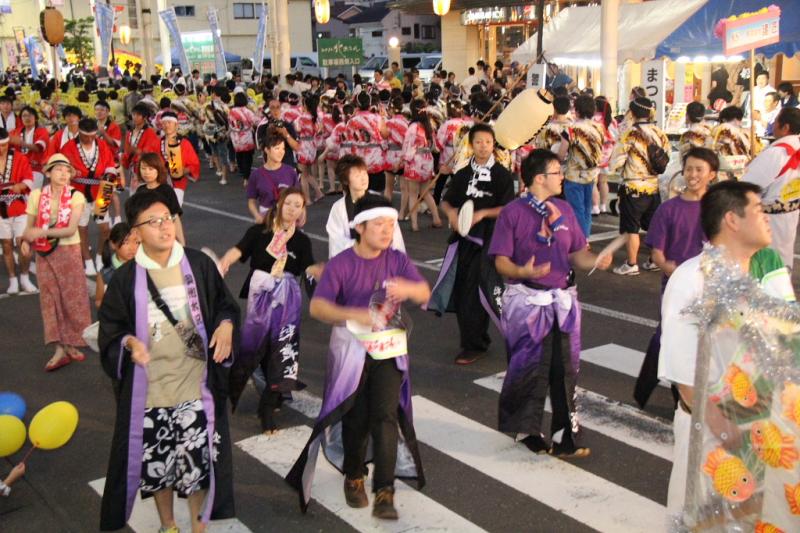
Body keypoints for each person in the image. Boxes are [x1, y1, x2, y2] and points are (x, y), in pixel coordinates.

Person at [97, 190, 239, 532]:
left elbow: (225, 304)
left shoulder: (199, 265)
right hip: (151, 395)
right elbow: (111, 331)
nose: (164, 227)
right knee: (158, 468)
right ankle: (168, 524)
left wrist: (226, 325)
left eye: (169, 219)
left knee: (197, 468)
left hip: (194, 387)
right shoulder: (126, 279)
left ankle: (197, 525)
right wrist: (130, 343)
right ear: (135, 232)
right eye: (153, 221)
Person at [286, 194, 429, 520]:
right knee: (355, 417)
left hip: (388, 351)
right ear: (360, 227)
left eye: (391, 224)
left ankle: (384, 491)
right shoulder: (342, 264)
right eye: (379, 224)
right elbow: (318, 307)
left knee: (385, 415)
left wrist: (408, 291)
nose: (386, 230)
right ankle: (353, 475)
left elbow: (423, 292)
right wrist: (357, 313)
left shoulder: (397, 260)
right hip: (350, 351)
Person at [658, 180, 782, 515]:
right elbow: (684, 378)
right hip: (712, 431)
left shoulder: (758, 277)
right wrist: (727, 433)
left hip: (756, 429)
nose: (768, 216)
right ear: (732, 219)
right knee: (704, 517)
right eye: (758, 209)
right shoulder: (691, 280)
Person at [489, 148, 612, 456]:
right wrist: (522, 271)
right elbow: (500, 262)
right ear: (540, 178)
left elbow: (577, 254)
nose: (562, 177)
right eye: (558, 172)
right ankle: (526, 429)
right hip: (527, 300)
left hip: (562, 300)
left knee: (565, 368)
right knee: (527, 367)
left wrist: (597, 259)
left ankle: (566, 434)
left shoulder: (564, 210)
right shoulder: (513, 213)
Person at [220, 187, 319, 432]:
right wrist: (224, 261)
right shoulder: (259, 232)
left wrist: (328, 274)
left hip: (288, 300)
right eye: (289, 204)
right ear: (279, 205)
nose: (293, 209)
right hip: (261, 296)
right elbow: (239, 250)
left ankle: (268, 406)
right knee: (255, 348)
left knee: (282, 350)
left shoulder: (301, 240)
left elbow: (309, 268)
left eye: (298, 205)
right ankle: (228, 389)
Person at [633, 147, 717, 408]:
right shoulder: (669, 209)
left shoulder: (718, 209)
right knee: (675, 336)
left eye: (699, 170)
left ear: (712, 174)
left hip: (711, 286)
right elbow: (657, 254)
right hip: (676, 286)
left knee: (702, 339)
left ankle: (656, 383)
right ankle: (678, 397)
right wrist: (678, 275)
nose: (692, 175)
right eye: (688, 169)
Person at [431, 123, 515, 364]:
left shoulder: (501, 174)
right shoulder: (463, 173)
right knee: (462, 289)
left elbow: (508, 208)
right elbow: (446, 201)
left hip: (488, 241)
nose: (483, 147)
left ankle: (476, 343)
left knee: (478, 291)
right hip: (463, 240)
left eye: (487, 142)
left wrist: (482, 214)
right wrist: (452, 215)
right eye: (478, 142)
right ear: (471, 144)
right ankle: (474, 340)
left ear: (493, 144)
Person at [20, 154, 92, 371]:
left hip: (69, 250)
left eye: (66, 170)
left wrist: (39, 232)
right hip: (44, 252)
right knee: (50, 299)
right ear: (48, 173)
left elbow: (70, 229)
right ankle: (59, 347)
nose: (63, 173)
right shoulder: (36, 195)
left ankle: (71, 343)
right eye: (58, 169)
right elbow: (29, 225)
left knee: (72, 297)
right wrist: (25, 240)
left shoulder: (76, 196)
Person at [609, 97, 670, 275]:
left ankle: (631, 263)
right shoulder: (659, 132)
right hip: (653, 186)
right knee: (652, 226)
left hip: (633, 187)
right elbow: (666, 158)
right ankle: (653, 259)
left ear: (633, 112)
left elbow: (617, 161)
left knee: (631, 228)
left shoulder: (630, 133)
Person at [741, 107, 800, 268]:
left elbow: (747, 186)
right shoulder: (795, 149)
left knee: (767, 263)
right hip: (790, 214)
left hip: (769, 219)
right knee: (782, 259)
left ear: (785, 127)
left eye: (776, 122)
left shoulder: (777, 153)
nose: (773, 125)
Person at [61, 117, 118, 275]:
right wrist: (69, 172)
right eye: (86, 136)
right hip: (78, 191)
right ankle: (86, 259)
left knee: (105, 228)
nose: (90, 139)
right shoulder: (68, 147)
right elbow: (61, 169)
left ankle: (100, 255)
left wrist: (108, 177)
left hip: (102, 189)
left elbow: (110, 166)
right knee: (82, 227)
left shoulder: (101, 144)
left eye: (93, 136)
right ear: (79, 133)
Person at [326, 154, 405, 258]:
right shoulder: (339, 208)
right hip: (352, 264)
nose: (363, 178)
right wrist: (364, 248)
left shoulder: (379, 201)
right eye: (357, 176)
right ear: (345, 181)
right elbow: (336, 241)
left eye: (364, 173)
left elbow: (395, 237)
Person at [0, 126, 36, 294]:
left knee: (24, 244)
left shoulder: (20, 158)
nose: (2, 148)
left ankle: (24, 277)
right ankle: (13, 280)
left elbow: (29, 179)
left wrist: (21, 185)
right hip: (1, 211)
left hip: (19, 207)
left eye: (5, 145)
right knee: (6, 245)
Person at [564, 95, 605, 238]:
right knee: (586, 210)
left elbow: (562, 151)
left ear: (577, 110)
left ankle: (580, 241)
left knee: (576, 210)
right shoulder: (599, 127)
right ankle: (585, 238)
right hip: (591, 174)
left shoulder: (572, 129)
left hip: (574, 175)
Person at [246, 131, 300, 223]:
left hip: (287, 219)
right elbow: (251, 200)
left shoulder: (291, 172)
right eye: (277, 148)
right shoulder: (256, 175)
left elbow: (298, 197)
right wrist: (257, 215)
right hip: (266, 219)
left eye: (283, 149)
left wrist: (302, 213)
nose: (281, 152)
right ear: (267, 150)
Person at [134, 152, 185, 245]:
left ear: (158, 170)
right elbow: (137, 219)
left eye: (151, 169)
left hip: (165, 234)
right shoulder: (140, 191)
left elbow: (175, 217)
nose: (146, 172)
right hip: (148, 237)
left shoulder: (166, 190)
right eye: (143, 168)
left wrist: (182, 243)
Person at [348, 91, 389, 194]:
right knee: (376, 192)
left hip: (359, 160)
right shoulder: (377, 118)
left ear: (357, 104)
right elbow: (385, 134)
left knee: (361, 192)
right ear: (370, 104)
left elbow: (349, 139)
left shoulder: (351, 121)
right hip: (376, 159)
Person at [157, 111, 200, 206]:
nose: (166, 125)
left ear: (176, 124)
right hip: (160, 183)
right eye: (164, 123)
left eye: (169, 122)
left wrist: (183, 170)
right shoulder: (158, 143)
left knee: (174, 210)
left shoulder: (184, 143)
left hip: (178, 184)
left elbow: (194, 164)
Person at [95, 222, 139, 308]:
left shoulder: (144, 266)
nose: (132, 247)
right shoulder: (105, 274)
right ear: (113, 244)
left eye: (136, 242)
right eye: (126, 242)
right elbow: (98, 301)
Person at [711, 106, 758, 180]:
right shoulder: (742, 132)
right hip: (741, 169)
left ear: (723, 119)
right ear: (737, 119)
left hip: (726, 170)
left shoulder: (722, 128)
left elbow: (713, 148)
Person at [293, 94, 324, 203]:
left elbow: (297, 130)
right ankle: (318, 193)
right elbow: (319, 131)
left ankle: (307, 199)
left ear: (305, 105)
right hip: (312, 146)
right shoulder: (317, 118)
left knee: (303, 174)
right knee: (307, 173)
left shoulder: (301, 118)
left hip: (303, 146)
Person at [122, 102, 160, 188]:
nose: (135, 117)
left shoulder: (150, 132)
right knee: (134, 195)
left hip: (146, 169)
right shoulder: (129, 133)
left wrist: (137, 151)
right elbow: (127, 151)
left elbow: (150, 151)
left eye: (138, 115)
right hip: (133, 169)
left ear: (145, 117)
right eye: (133, 114)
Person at [11, 106, 49, 187]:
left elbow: (38, 148)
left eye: (30, 115)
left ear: (35, 118)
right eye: (24, 116)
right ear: (21, 119)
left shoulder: (42, 131)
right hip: (18, 169)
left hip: (35, 169)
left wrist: (22, 143)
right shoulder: (15, 132)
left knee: (32, 196)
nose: (27, 118)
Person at [228, 91, 258, 187]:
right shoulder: (247, 111)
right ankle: (246, 177)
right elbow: (255, 121)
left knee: (239, 154)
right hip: (246, 137)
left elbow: (229, 123)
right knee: (247, 157)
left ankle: (241, 170)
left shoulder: (231, 111)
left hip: (236, 137)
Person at [385, 97, 409, 210]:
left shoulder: (388, 123)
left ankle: (386, 211)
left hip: (390, 155)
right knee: (404, 188)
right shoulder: (407, 122)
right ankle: (402, 213)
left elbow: (383, 140)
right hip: (403, 156)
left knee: (388, 187)